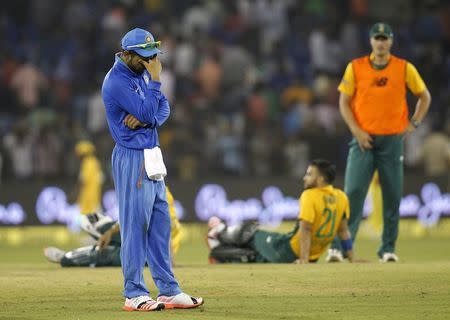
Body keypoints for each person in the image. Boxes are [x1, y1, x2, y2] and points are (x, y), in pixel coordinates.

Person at [101, 27, 202, 311]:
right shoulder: (117, 82)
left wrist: (149, 119)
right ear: (126, 54)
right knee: (135, 225)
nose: (149, 61)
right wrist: (155, 84)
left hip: (151, 154)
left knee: (160, 222)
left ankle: (168, 290)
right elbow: (149, 108)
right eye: (143, 57)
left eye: (151, 56)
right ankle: (134, 293)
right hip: (131, 156)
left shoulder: (139, 72)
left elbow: (163, 109)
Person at [327, 23, 431, 263]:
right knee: (352, 193)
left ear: (391, 41)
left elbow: (425, 97)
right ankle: (339, 248)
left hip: (392, 141)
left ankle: (387, 249)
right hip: (363, 140)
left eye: (385, 38)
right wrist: (356, 131)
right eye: (377, 38)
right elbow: (344, 102)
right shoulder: (356, 67)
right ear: (371, 41)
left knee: (393, 196)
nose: (381, 42)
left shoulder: (404, 68)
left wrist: (413, 124)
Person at [207, 159, 354, 264]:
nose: (305, 177)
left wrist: (303, 259)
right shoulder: (341, 196)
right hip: (310, 256)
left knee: (252, 232)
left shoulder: (309, 195)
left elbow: (306, 229)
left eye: (309, 174)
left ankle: (219, 232)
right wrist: (352, 258)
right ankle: (221, 255)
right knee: (256, 257)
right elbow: (343, 231)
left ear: (321, 179)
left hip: (288, 249)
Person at [44, 188, 182, 268]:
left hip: (153, 254)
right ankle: (104, 245)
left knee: (108, 254)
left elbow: (165, 227)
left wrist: (167, 259)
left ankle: (67, 258)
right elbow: (132, 219)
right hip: (141, 242)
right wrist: (111, 231)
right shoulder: (145, 189)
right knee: (91, 220)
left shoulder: (158, 192)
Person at [74, 140, 103, 217]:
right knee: (96, 214)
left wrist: (76, 191)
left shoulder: (86, 163)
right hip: (96, 194)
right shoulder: (95, 162)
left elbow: (83, 180)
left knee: (88, 215)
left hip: (87, 195)